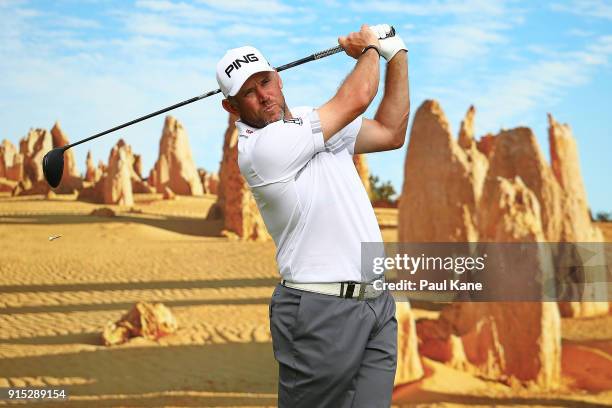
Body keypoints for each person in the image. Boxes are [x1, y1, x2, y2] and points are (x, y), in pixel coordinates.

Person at [216, 23, 409, 408]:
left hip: (376, 304)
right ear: (231, 107)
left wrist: (398, 56)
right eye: (248, 93)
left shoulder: (307, 121)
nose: (264, 96)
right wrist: (370, 48)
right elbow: (358, 97)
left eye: (265, 82)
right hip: (321, 312)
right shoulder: (264, 148)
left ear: (279, 78)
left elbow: (391, 132)